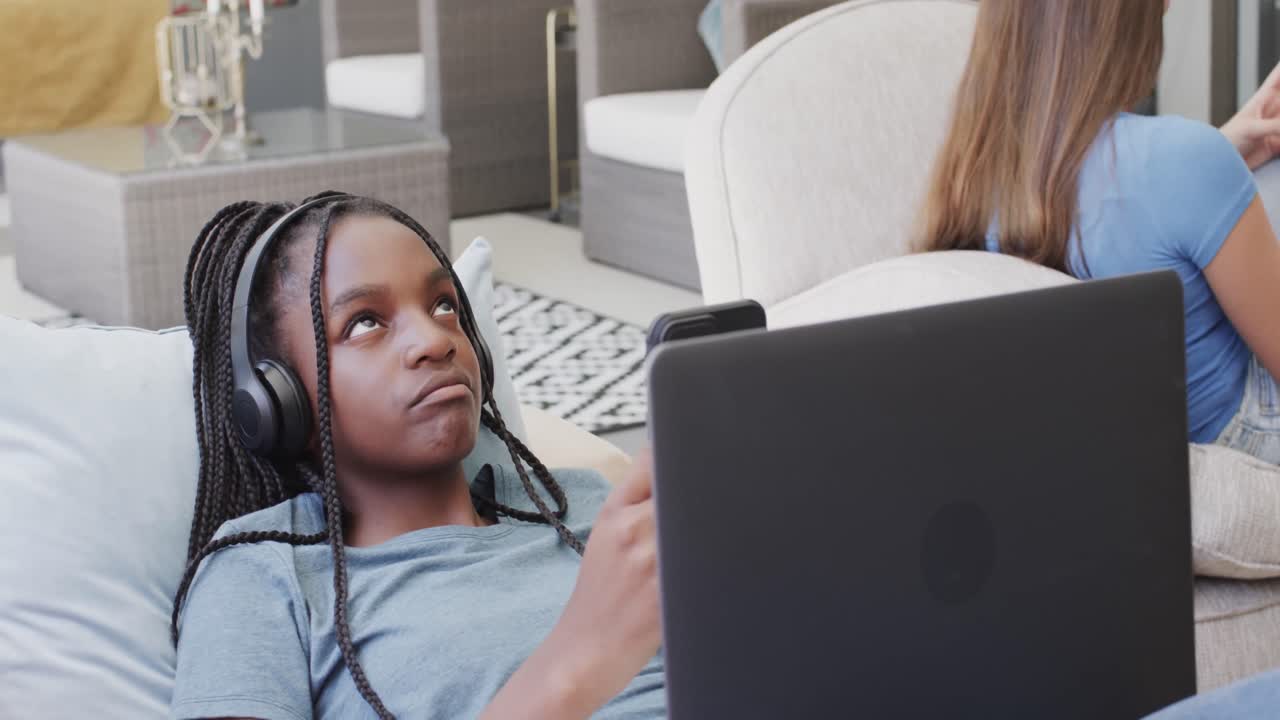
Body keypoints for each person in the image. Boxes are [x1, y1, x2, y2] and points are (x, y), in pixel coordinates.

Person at [169, 193, 664, 719]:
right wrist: (577, 665)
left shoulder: (585, 504)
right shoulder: (264, 574)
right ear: (279, 400)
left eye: (444, 306)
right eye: (365, 322)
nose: (433, 339)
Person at [918, 0, 1280, 465]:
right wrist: (1215, 162)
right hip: (1235, 432)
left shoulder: (972, 174)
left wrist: (1224, 149)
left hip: (1141, 429)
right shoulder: (1187, 160)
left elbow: (1103, 202)